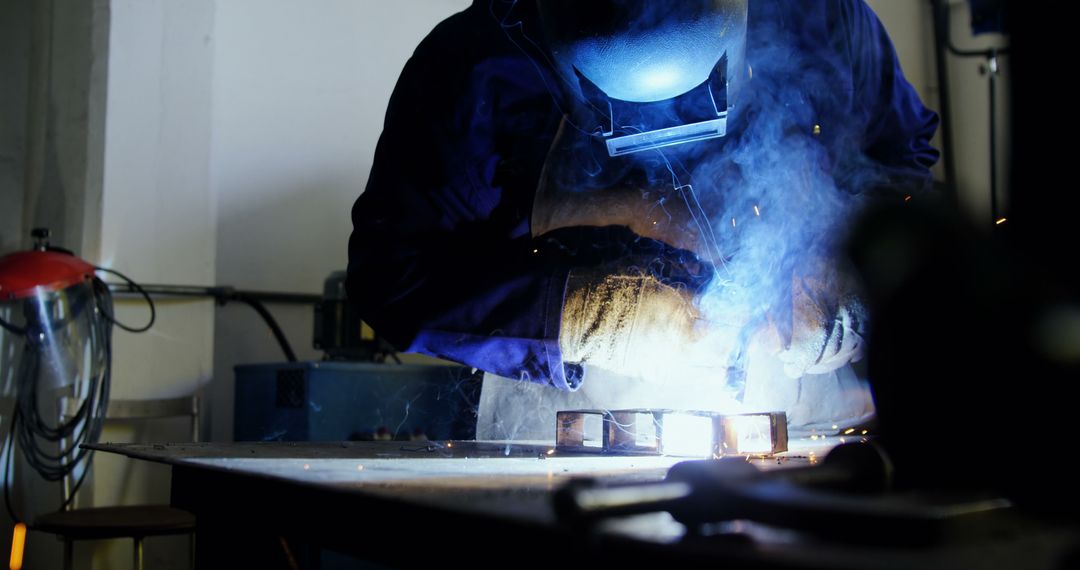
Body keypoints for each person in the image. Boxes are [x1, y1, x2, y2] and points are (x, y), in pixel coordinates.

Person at [347, 0, 939, 439]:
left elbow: (904, 164)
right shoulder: (479, 62)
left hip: (800, 415)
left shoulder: (821, 18)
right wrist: (585, 316)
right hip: (568, 431)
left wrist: (853, 274)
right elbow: (392, 279)